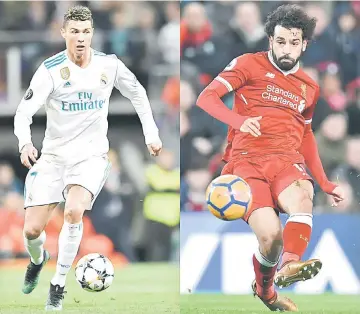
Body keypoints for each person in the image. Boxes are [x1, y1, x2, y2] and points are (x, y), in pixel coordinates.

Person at [196, 4, 344, 311]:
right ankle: (266, 292)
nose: (286, 48)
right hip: (247, 163)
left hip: (286, 161)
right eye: (280, 41)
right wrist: (238, 122)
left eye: (293, 42)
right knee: (271, 240)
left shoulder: (309, 87)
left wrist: (326, 181)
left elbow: (306, 135)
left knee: (304, 196)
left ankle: (290, 265)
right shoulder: (248, 64)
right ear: (270, 40)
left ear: (304, 44)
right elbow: (206, 97)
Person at [14, 5, 162, 311]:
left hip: (91, 156)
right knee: (31, 231)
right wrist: (25, 143)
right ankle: (38, 259)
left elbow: (137, 93)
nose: (81, 38)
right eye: (75, 32)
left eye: (86, 32)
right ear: (63, 33)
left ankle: (58, 285)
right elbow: (23, 112)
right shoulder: (50, 70)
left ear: (92, 33)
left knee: (74, 211)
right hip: (54, 157)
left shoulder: (109, 65)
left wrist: (151, 133)